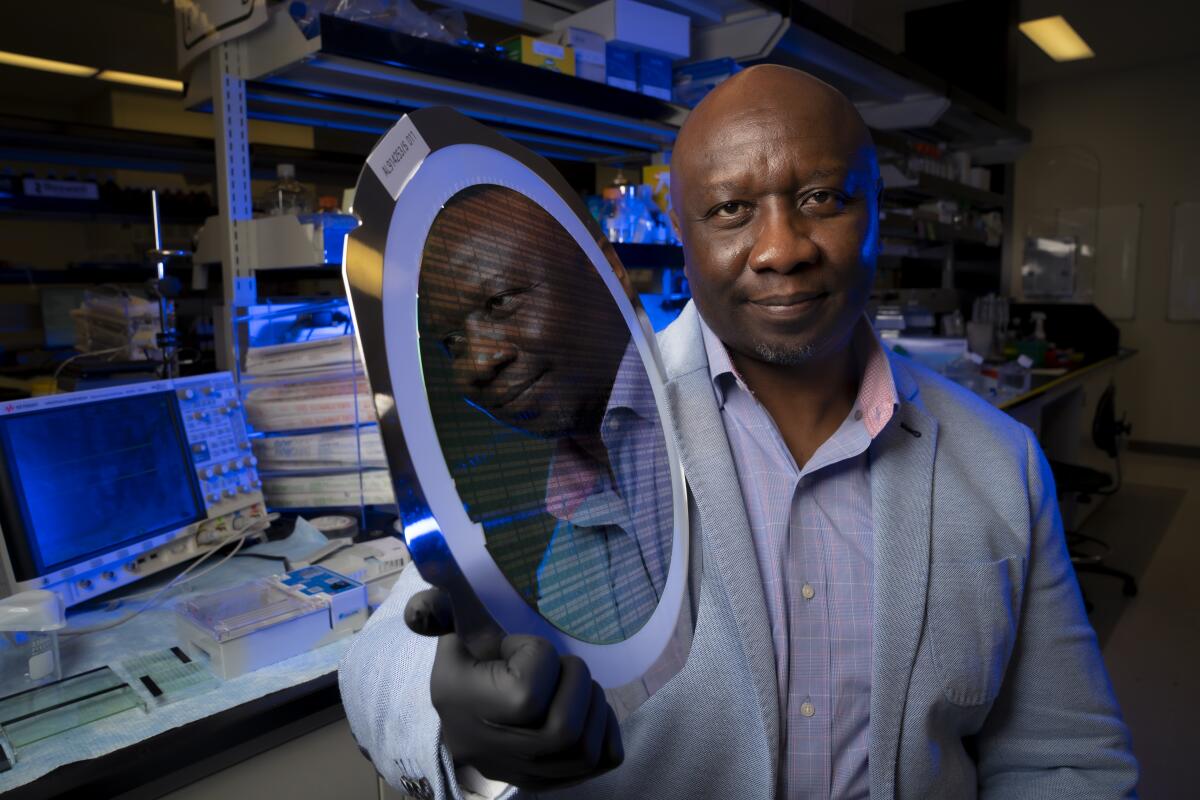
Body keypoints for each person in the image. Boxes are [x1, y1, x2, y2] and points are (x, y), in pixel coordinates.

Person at [340, 65, 1138, 799]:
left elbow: (1064, 756)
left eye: (823, 197)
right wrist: (452, 719)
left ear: (877, 216)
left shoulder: (1001, 462)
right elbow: (387, 652)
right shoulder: (600, 410)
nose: (781, 250)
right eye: (729, 210)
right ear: (682, 240)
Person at [418, 183, 675, 646]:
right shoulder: (564, 560)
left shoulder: (723, 415)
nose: (478, 362)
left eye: (500, 302)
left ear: (610, 271)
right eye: (453, 342)